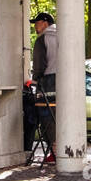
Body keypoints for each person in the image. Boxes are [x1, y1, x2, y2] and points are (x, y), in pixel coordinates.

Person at [31, 11, 58, 164]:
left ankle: (55, 152)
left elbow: (39, 65)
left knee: (47, 117)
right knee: (61, 117)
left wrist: (35, 80)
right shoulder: (64, 34)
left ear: (45, 23)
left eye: (37, 22)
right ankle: (64, 151)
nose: (35, 26)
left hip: (48, 82)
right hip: (66, 81)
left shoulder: (42, 39)